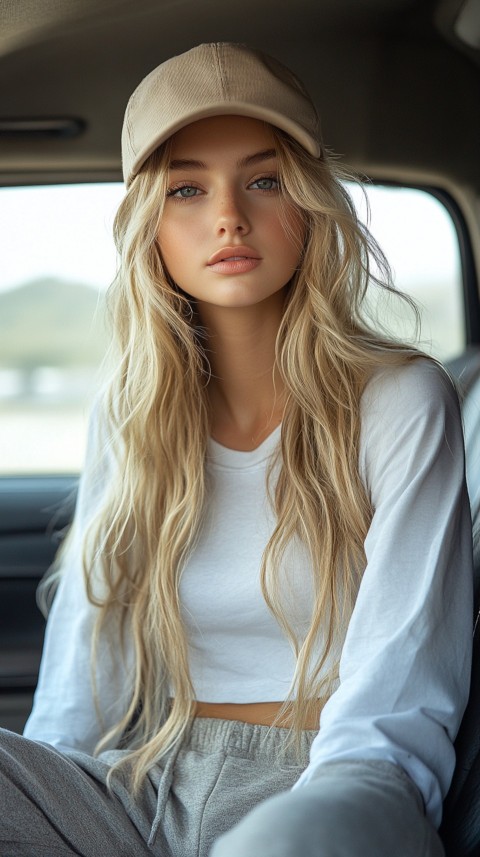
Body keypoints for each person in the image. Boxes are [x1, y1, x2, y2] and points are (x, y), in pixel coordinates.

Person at [0, 42, 473, 857]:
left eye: (264, 179)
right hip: (146, 779)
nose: (229, 216)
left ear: (311, 203)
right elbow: (79, 683)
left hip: (335, 782)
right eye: (188, 188)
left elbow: (396, 702)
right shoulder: (132, 413)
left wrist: (316, 814)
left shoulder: (400, 400)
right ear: (151, 222)